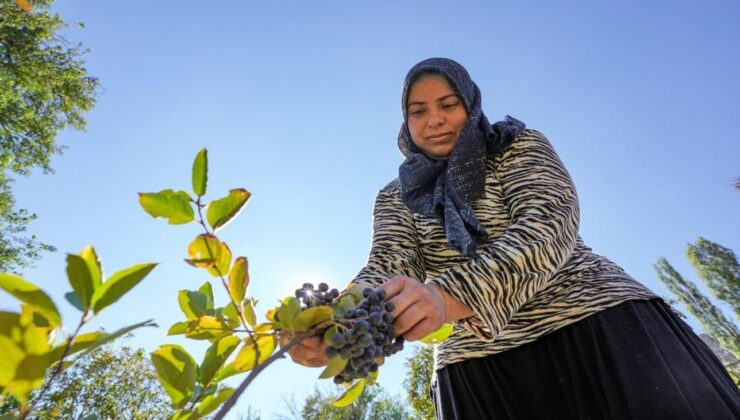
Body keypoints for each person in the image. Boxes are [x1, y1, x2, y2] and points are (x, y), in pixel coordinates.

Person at [285, 57, 740, 419]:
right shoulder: (395, 197)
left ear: (470, 104)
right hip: (478, 363)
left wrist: (448, 295)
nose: (434, 121)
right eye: (417, 111)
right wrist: (340, 319)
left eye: (448, 105)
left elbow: (548, 223)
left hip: (594, 320)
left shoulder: (515, 147)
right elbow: (388, 262)